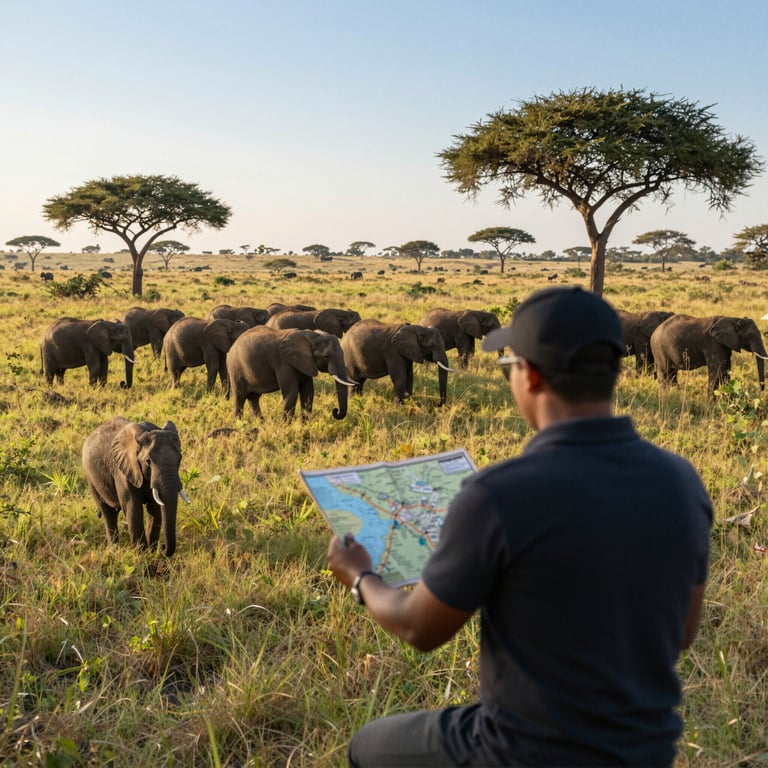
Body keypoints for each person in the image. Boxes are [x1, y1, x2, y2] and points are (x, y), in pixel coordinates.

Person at [327, 286, 712, 767]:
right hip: (646, 750)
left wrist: (361, 577)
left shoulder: (498, 494)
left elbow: (418, 628)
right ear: (614, 370)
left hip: (523, 751)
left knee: (368, 745)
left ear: (527, 376)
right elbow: (681, 633)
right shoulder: (682, 480)